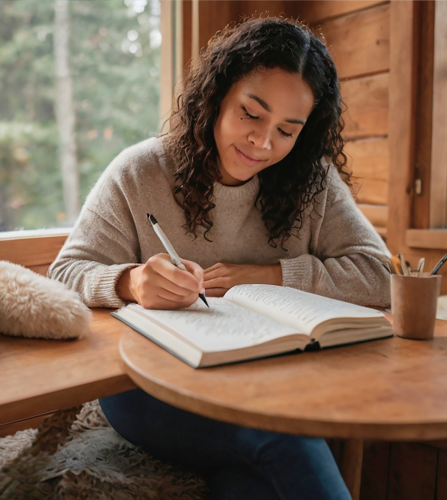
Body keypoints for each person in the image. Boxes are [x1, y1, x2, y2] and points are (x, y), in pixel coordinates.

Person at [49, 17, 391, 500]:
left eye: (288, 131)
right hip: (152, 388)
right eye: (251, 114)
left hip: (271, 379)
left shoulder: (312, 180)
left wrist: (271, 276)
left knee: (250, 479)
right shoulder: (140, 170)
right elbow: (64, 273)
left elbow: (382, 276)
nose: (264, 142)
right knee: (283, 435)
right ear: (217, 96)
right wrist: (130, 282)